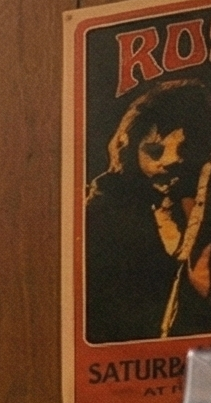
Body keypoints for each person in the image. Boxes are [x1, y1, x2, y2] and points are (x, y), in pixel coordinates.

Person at [85, 75, 211, 343]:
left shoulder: (199, 201)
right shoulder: (103, 214)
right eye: (155, 150)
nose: (172, 160)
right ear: (130, 149)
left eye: (185, 148)